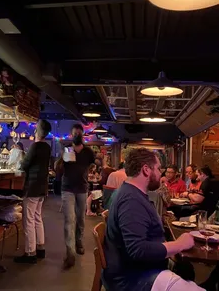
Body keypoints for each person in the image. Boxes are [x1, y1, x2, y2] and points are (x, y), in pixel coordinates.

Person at [103, 148, 202, 291]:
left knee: (186, 269)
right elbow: (138, 250)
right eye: (158, 168)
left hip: (136, 271)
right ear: (146, 170)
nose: (160, 173)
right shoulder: (131, 200)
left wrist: (170, 248)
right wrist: (179, 244)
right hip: (131, 279)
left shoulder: (132, 193)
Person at [14, 120, 51, 264]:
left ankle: (30, 253)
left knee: (28, 219)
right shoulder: (47, 147)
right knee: (37, 217)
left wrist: (20, 156)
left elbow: (24, 165)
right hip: (42, 186)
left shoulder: (35, 146)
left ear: (38, 131)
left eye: (36, 128)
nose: (34, 130)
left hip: (33, 186)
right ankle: (40, 248)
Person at [61, 123, 95, 269]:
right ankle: (70, 252)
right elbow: (59, 167)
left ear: (82, 135)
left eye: (79, 134)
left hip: (82, 188)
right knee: (69, 219)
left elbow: (93, 164)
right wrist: (62, 160)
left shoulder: (88, 152)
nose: (77, 136)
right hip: (67, 188)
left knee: (80, 218)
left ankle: (79, 241)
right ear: (71, 134)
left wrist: (90, 171)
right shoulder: (67, 149)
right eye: (75, 133)